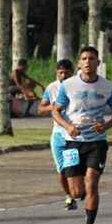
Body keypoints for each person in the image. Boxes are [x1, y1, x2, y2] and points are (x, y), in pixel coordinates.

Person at [52, 46, 112, 224]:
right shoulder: (68, 85)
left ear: (98, 63)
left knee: (92, 183)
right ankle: (80, 194)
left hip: (97, 143)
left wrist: (106, 125)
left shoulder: (108, 86)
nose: (87, 62)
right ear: (78, 63)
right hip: (72, 141)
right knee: (76, 192)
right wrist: (68, 126)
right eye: (83, 58)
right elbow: (55, 111)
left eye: (91, 58)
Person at [38, 59, 77, 210]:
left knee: (74, 167)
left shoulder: (77, 86)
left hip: (74, 134)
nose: (63, 75)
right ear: (56, 73)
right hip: (58, 134)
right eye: (60, 72)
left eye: (67, 73)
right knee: (62, 169)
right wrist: (52, 107)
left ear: (72, 73)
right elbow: (40, 109)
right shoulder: (51, 88)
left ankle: (78, 190)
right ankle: (69, 196)